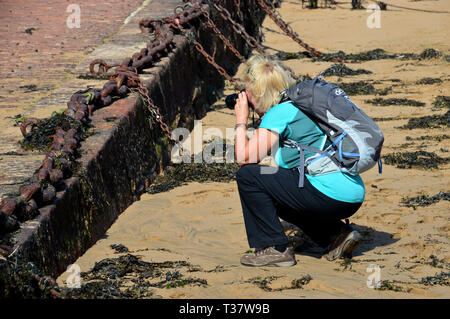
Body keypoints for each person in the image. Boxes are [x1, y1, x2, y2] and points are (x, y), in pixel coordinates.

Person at [234, 54, 365, 267]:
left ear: (258, 93)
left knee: (248, 176)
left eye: (247, 91)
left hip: (331, 193)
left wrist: (241, 121)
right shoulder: (299, 106)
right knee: (276, 185)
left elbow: (244, 159)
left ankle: (275, 248)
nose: (245, 97)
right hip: (350, 192)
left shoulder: (278, 113)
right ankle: (336, 236)